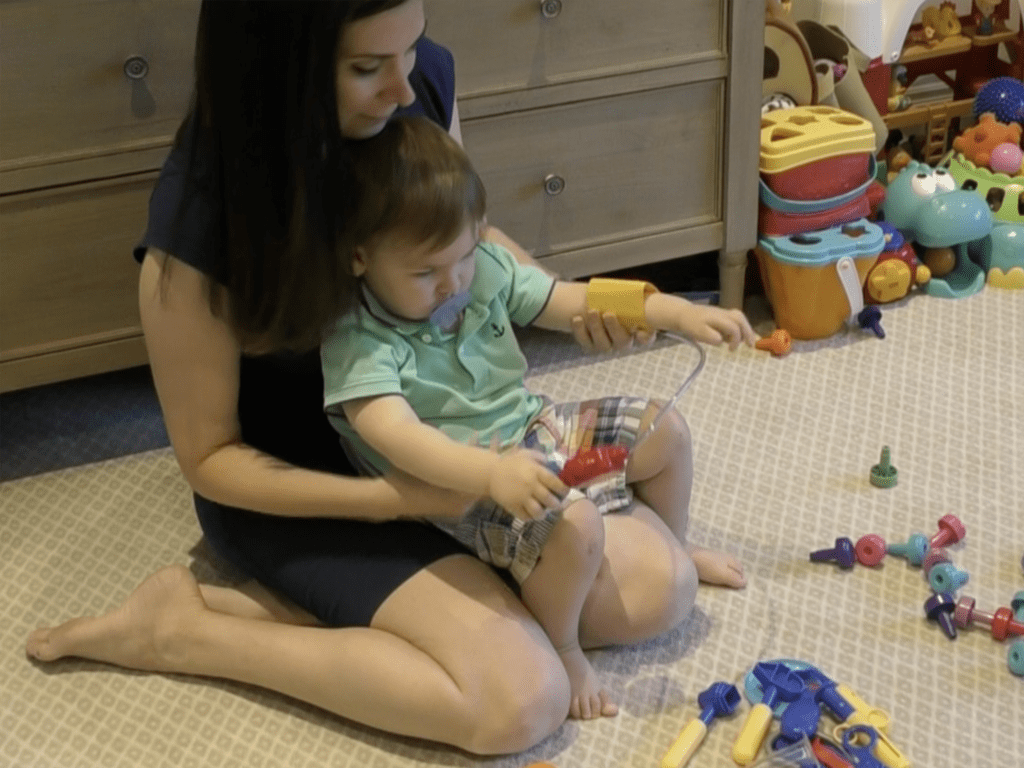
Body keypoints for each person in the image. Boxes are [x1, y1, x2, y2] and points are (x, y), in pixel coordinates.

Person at [23, 0, 736, 753]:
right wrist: (400, 499)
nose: (405, 88)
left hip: (445, 439)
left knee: (657, 591)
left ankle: (367, 610)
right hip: (307, 483)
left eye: (413, 49)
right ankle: (182, 631)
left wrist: (568, 300)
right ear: (281, 74)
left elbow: (467, 236)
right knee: (521, 700)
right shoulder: (202, 218)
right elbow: (211, 461)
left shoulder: (416, 78)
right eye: (367, 68)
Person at [322, 116, 756, 719]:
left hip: (531, 426)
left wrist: (670, 311)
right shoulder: (357, 336)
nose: (453, 284)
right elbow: (394, 436)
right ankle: (562, 639)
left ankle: (679, 543)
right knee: (576, 528)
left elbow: (567, 299)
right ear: (358, 257)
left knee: (666, 433)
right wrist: (488, 473)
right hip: (459, 485)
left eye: (466, 256)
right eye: (425, 273)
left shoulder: (480, 274)